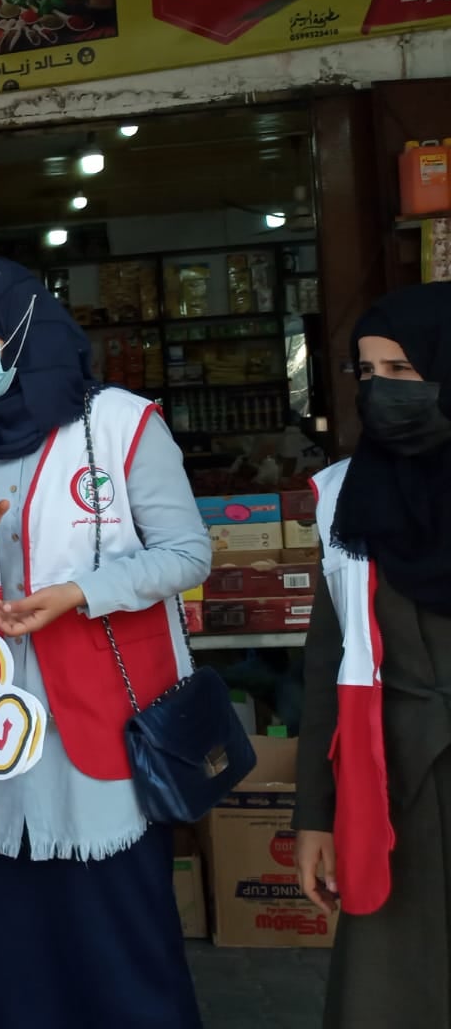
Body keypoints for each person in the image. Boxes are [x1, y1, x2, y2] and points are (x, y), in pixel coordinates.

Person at [0, 259, 208, 1029]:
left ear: (24, 331)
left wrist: (79, 594)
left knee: (118, 936)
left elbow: (187, 554)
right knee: (4, 945)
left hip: (103, 718)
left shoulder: (120, 424)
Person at [295, 283, 451, 1028]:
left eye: (402, 369)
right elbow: (328, 665)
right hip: (395, 790)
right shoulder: (344, 498)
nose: (383, 391)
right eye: (368, 372)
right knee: (393, 994)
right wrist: (314, 819)